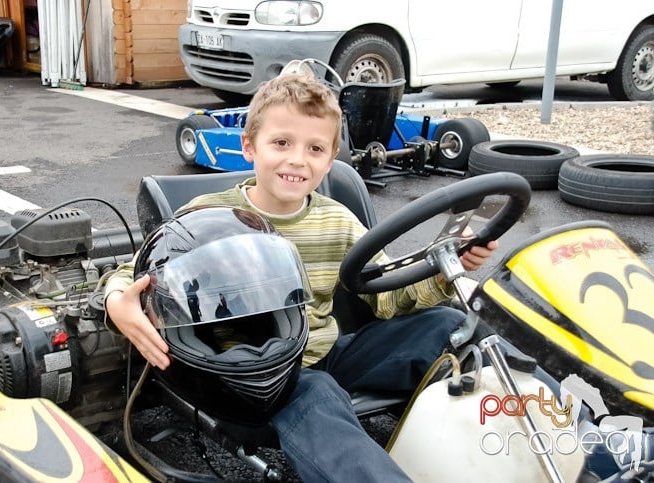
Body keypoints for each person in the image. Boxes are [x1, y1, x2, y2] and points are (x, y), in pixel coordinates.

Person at [104, 73, 499, 482]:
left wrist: (443, 271)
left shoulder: (337, 222)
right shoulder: (207, 217)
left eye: (315, 149)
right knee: (317, 393)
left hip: (325, 354)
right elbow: (133, 272)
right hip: (253, 375)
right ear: (248, 146)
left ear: (330, 160)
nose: (297, 160)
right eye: (281, 143)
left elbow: (387, 295)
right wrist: (118, 301)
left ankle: (557, 423)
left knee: (452, 325)